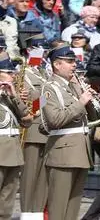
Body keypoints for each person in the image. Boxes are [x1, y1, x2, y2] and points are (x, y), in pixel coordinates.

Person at [40, 45, 100, 220]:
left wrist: (88, 99)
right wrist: (80, 102)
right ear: (57, 64)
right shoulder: (48, 88)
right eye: (69, 62)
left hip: (80, 152)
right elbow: (54, 120)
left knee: (73, 207)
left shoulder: (73, 86)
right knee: (58, 206)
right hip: (63, 152)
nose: (74, 65)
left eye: (74, 61)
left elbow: (93, 117)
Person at [20, 34, 50, 220]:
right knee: (30, 175)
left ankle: (37, 212)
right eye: (40, 48)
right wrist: (46, 98)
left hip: (48, 128)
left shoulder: (45, 73)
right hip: (32, 129)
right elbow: (30, 99)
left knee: (43, 177)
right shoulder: (24, 73)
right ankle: (26, 213)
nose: (44, 53)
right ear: (30, 50)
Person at [0, 52, 27, 220]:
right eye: (9, 73)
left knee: (7, 200)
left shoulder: (10, 94)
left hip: (13, 151)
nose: (13, 75)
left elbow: (27, 119)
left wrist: (14, 96)